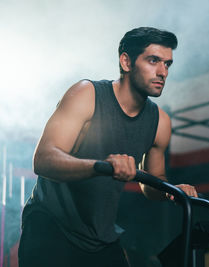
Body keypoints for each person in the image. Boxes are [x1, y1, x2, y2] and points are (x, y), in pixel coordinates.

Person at [18, 27, 198, 267]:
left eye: (167, 64)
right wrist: (102, 166)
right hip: (52, 225)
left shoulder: (160, 122)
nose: (162, 72)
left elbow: (152, 184)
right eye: (153, 61)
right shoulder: (86, 94)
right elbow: (43, 159)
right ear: (126, 61)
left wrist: (171, 190)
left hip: (101, 236)